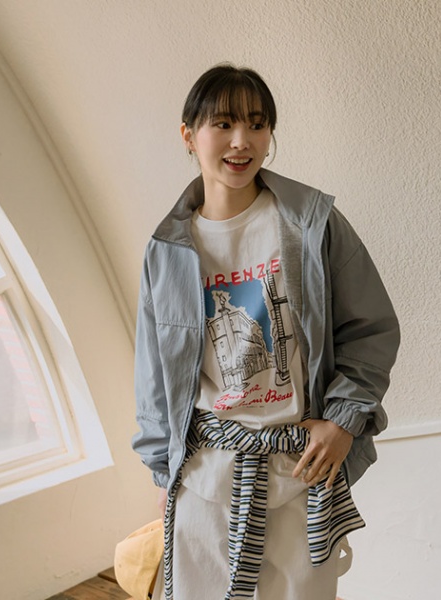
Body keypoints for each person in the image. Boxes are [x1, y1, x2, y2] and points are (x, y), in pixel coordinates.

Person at [132, 63, 400, 600]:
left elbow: (370, 330)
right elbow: (154, 373)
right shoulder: (167, 251)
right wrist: (165, 473)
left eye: (257, 124)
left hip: (301, 471)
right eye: (224, 123)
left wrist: (343, 421)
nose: (242, 141)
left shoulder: (312, 223)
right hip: (204, 477)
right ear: (188, 135)